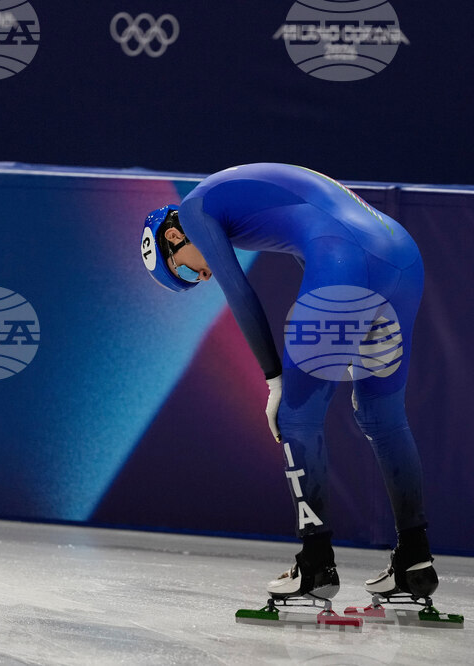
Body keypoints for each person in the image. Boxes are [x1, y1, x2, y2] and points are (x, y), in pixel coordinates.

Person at [139, 163, 438, 603]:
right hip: (400, 255)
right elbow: (312, 229)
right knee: (382, 413)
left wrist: (273, 379)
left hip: (344, 258)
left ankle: (316, 564)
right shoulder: (228, 198)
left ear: (171, 237)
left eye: (183, 271)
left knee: (296, 414)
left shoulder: (194, 209)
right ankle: (416, 559)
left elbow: (238, 293)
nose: (200, 277)